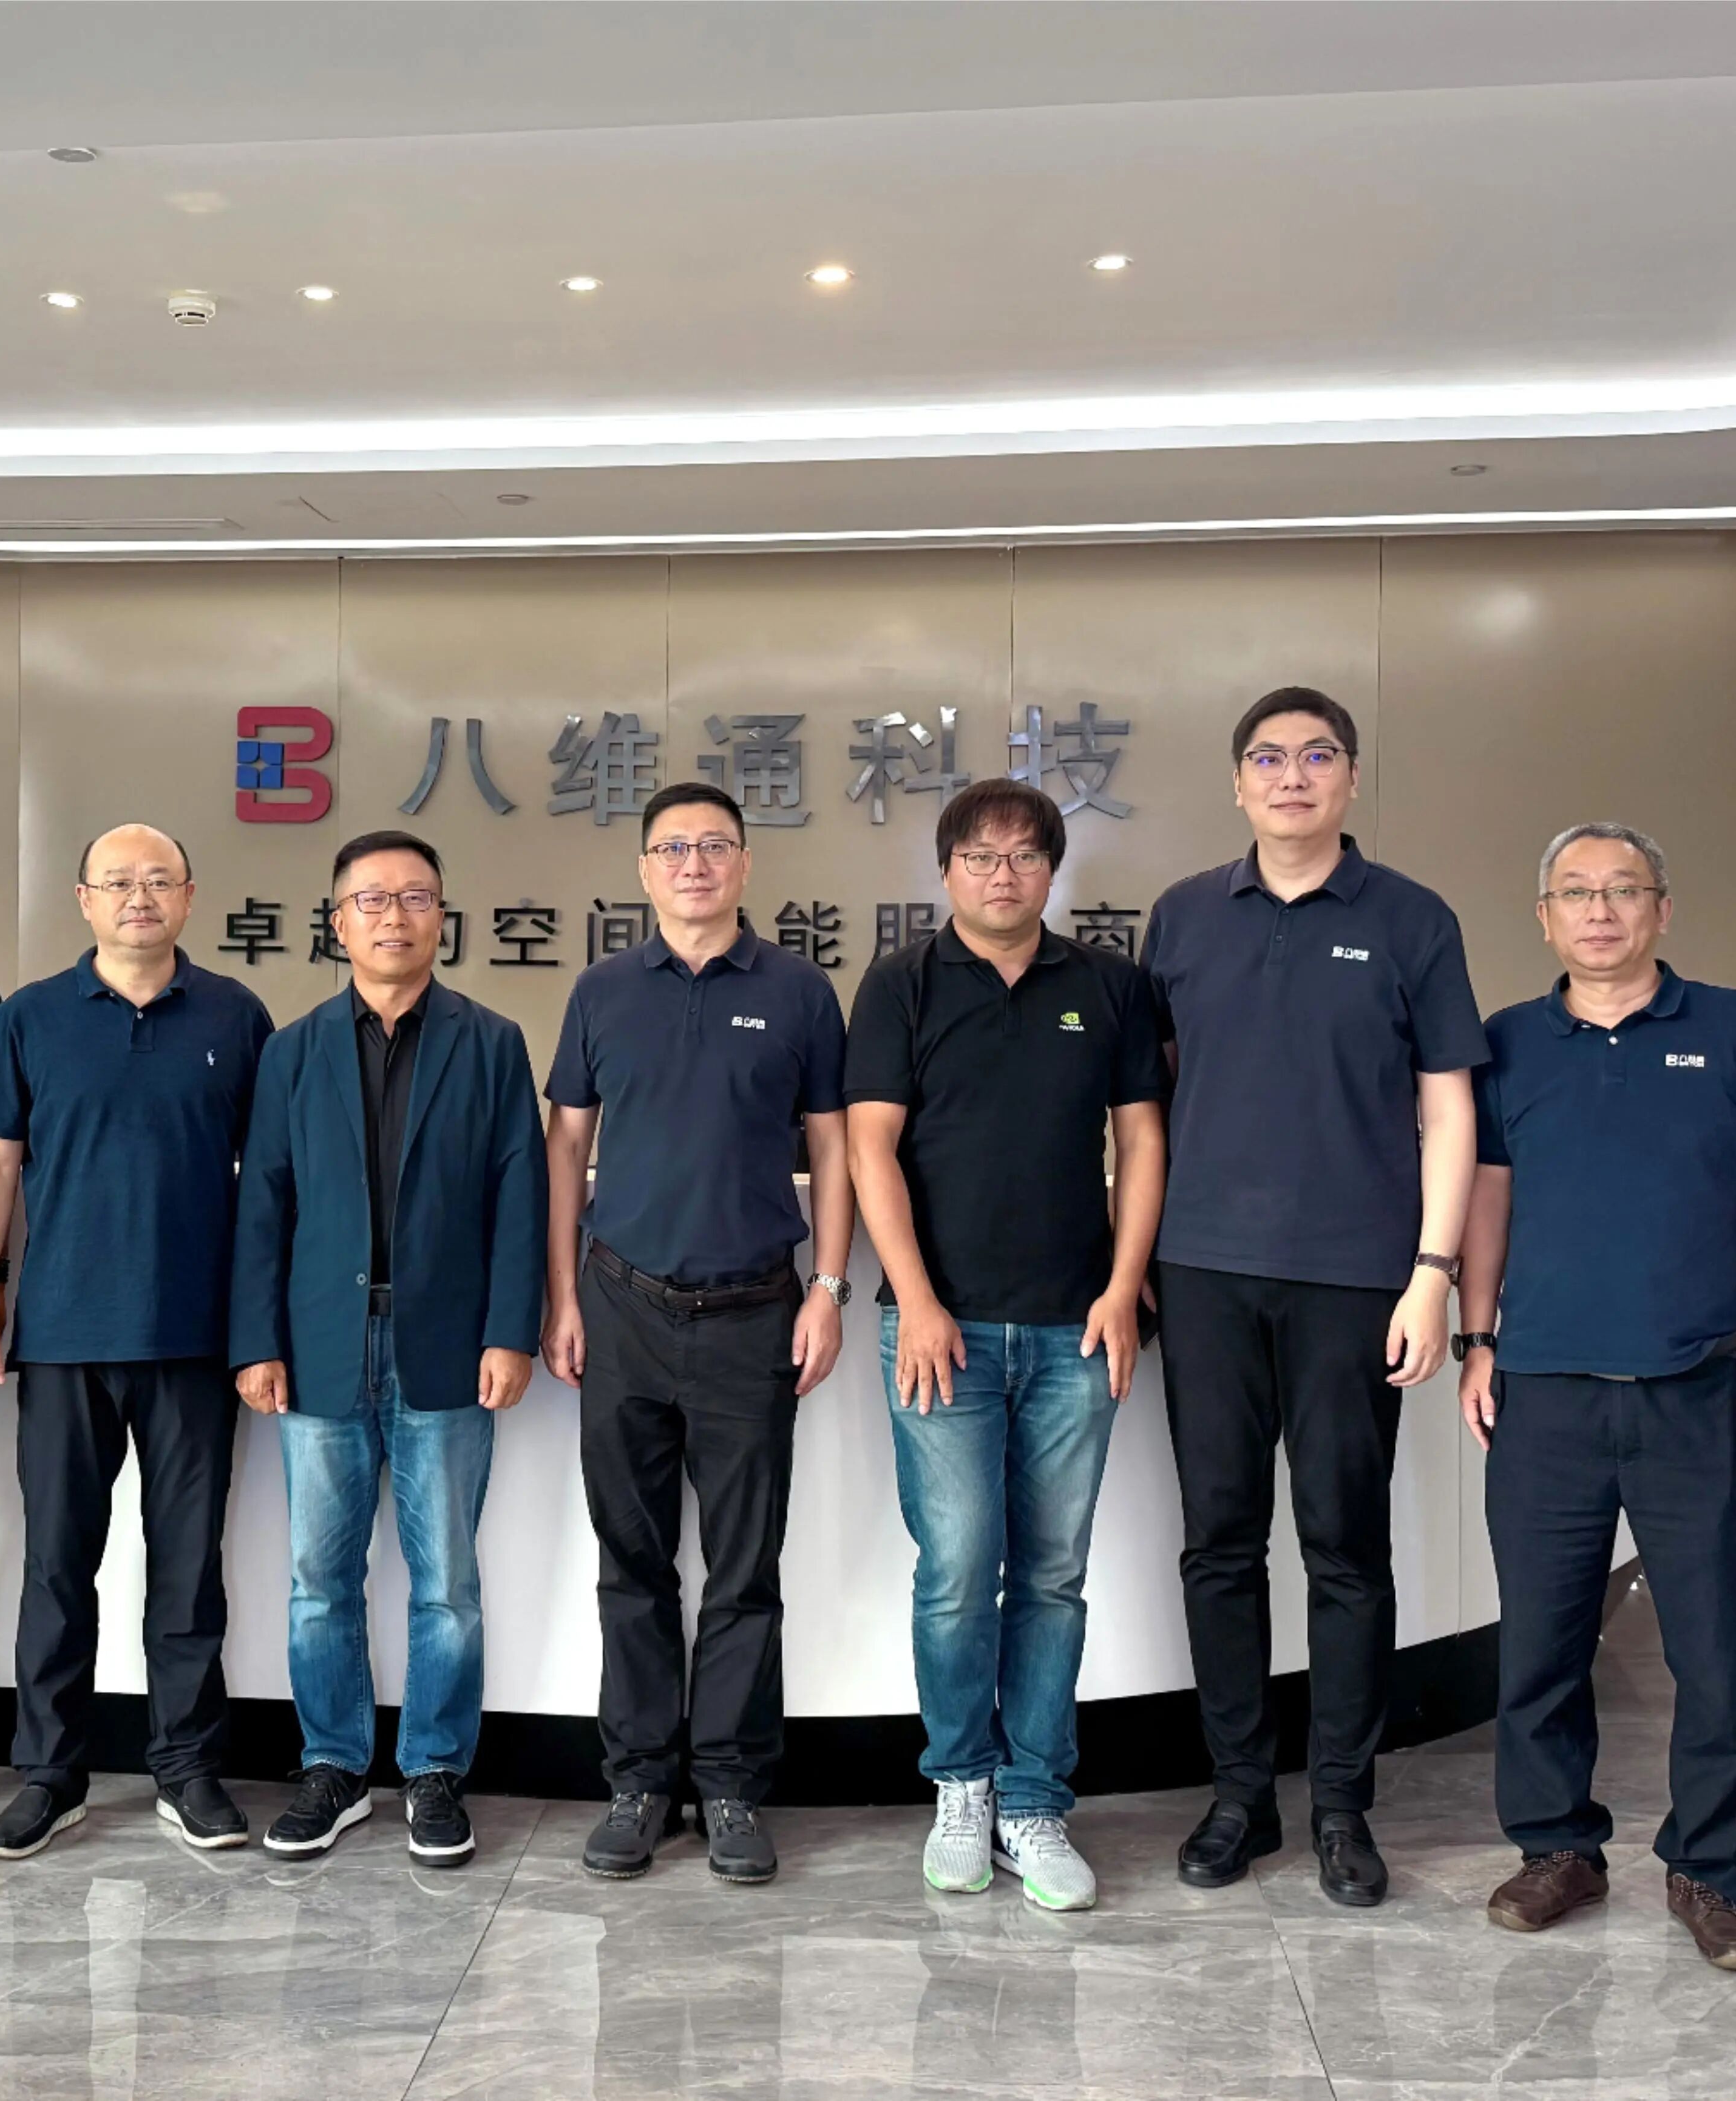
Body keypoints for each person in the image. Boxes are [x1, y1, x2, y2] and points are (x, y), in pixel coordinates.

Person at [1141, 687, 1485, 1907]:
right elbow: (1149, 1102)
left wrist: (1433, 1274)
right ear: (1237, 783)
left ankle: (1342, 1802)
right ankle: (1239, 1793)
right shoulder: (1184, 915)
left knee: (1344, 1545)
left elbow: (1449, 1107)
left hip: (1355, 1277)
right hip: (1203, 1274)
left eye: (1317, 755)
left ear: (1349, 778)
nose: (1292, 776)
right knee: (1219, 1543)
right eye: (1268, 758)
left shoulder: (1410, 918)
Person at [1459, 823, 1736, 1972]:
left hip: (1700, 1388)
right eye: (1577, 892)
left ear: (1663, 907)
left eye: (1623, 890)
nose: (1601, 910)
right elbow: (1487, 1202)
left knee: (1717, 1652)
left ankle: (1715, 1872)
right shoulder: (1510, 1042)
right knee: (1541, 1644)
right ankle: (1557, 1846)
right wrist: (1478, 1339)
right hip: (1544, 1391)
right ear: (1544, 915)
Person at [847, 778, 1167, 1909]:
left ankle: (1033, 1800)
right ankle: (961, 1784)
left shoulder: (1109, 985)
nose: (1003, 873)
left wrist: (1122, 1290)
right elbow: (871, 1150)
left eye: (1026, 854)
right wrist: (918, 1299)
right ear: (946, 870)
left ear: (1052, 870)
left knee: (1052, 1575)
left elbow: (1142, 1141)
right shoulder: (900, 983)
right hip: (941, 1331)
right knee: (955, 1571)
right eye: (980, 855)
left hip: (1077, 1329)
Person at [542, 779, 853, 1885]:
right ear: (644, 870)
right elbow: (566, 1148)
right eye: (672, 847)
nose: (693, 864)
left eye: (714, 845)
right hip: (621, 1305)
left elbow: (835, 1146)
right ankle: (637, 1781)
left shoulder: (801, 992)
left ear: (745, 865)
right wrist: (563, 1296)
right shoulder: (602, 991)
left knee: (743, 1567)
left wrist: (829, 1288)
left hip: (754, 1312)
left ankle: (728, 1786)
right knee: (631, 1562)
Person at [0, 823, 274, 1860]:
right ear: (83, 898)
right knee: (58, 1565)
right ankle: (50, 1775)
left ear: (190, 895)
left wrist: (261, 1326)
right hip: (62, 1336)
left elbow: (269, 1181)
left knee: (188, 1568)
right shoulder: (31, 1016)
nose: (140, 896)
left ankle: (186, 1768)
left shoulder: (236, 1015)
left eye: (158, 880)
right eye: (118, 881)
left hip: (193, 1337)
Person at [230, 829, 547, 1865]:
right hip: (320, 1344)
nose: (394, 916)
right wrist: (257, 1340)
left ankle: (435, 1770)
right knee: (320, 1577)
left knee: (445, 1576)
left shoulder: (491, 1042)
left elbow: (519, 1194)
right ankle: (332, 1765)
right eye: (371, 899)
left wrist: (510, 1329)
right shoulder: (293, 1049)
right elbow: (264, 1201)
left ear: (441, 916)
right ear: (338, 922)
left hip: (446, 1345)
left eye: (415, 897)